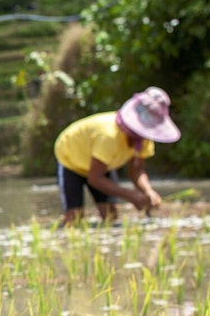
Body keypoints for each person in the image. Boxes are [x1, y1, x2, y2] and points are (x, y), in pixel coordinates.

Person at [53, 86, 181, 225]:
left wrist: (147, 191)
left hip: (102, 164)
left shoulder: (144, 139)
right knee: (74, 218)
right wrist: (132, 196)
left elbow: (136, 171)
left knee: (110, 216)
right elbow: (95, 178)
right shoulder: (109, 136)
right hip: (72, 158)